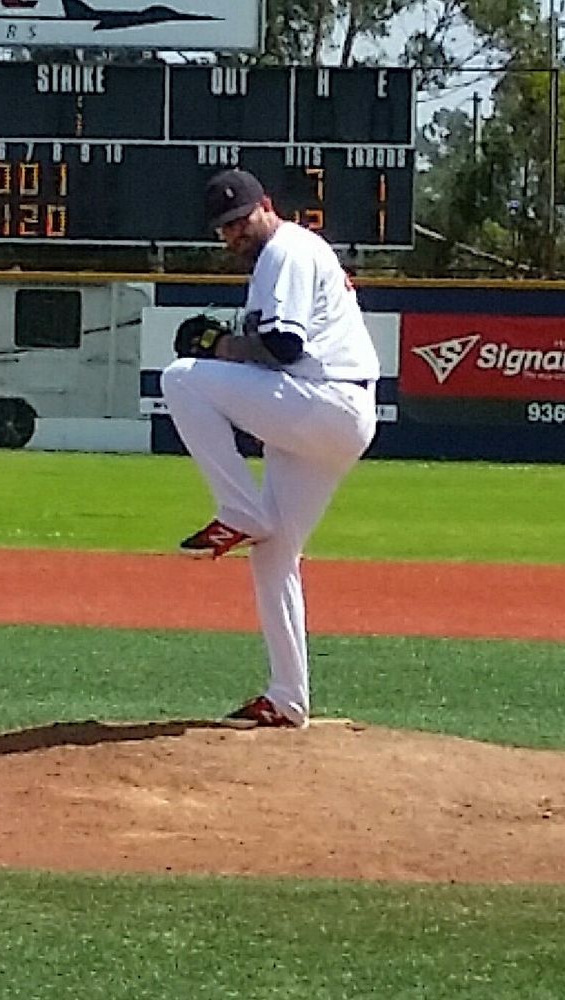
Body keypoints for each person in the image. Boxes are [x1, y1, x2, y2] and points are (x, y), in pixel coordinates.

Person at [161, 168, 380, 729]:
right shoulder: (277, 261)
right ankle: (288, 698)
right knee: (275, 553)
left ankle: (238, 512)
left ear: (267, 206)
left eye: (240, 220)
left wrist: (221, 347)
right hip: (326, 415)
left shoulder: (286, 251)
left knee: (182, 378)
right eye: (224, 229)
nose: (234, 233)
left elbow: (283, 346)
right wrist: (232, 354)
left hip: (324, 401)